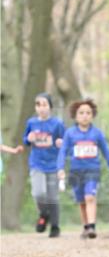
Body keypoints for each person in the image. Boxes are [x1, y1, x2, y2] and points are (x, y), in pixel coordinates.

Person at [57, 98, 109, 238]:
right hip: (76, 171)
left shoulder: (97, 133)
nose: (85, 115)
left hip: (92, 170)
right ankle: (86, 226)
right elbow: (63, 151)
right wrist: (60, 168)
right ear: (75, 115)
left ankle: (92, 226)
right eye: (81, 113)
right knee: (81, 201)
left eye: (88, 113)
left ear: (92, 115)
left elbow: (107, 152)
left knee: (90, 197)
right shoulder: (70, 133)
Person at [23, 93, 65, 238]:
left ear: (50, 107)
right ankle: (44, 213)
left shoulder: (57, 123)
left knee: (53, 197)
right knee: (38, 192)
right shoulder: (31, 123)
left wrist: (61, 142)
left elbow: (64, 140)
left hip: (53, 164)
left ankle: (55, 226)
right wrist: (28, 139)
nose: (41, 108)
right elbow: (25, 139)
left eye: (44, 104)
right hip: (36, 163)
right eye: (38, 105)